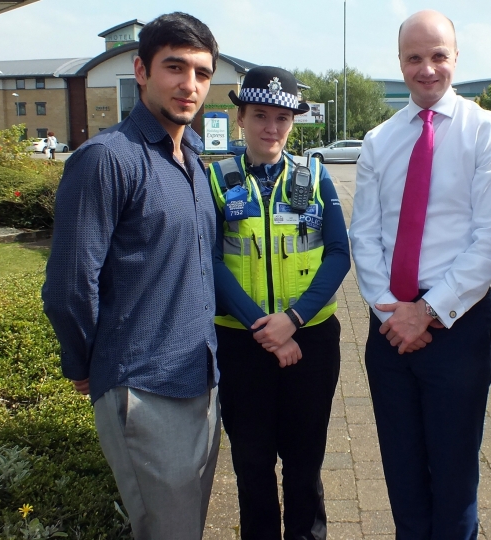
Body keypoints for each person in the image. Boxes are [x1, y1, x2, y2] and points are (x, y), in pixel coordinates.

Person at [41, 12, 220, 539]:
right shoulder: (106, 160)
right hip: (143, 385)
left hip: (202, 379)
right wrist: (85, 364)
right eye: (175, 67)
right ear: (141, 71)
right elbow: (69, 285)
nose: (190, 85)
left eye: (203, 73)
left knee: (188, 526)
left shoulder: (192, 159)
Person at [348, 10, 491, 539]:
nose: (427, 69)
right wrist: (390, 309)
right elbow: (366, 235)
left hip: (457, 324)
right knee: (401, 475)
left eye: (438, 56)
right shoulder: (379, 140)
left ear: (456, 58)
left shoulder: (485, 130)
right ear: (400, 63)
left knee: (453, 477)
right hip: (390, 327)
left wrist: (426, 312)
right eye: (414, 58)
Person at [207, 66, 350, 540]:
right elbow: (209, 262)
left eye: (283, 118)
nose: (272, 128)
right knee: (252, 464)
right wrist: (263, 329)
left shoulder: (315, 175)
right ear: (240, 117)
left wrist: (292, 320)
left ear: (294, 122)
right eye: (261, 116)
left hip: (310, 341)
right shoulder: (216, 179)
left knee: (305, 464)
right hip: (242, 344)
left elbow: (338, 254)